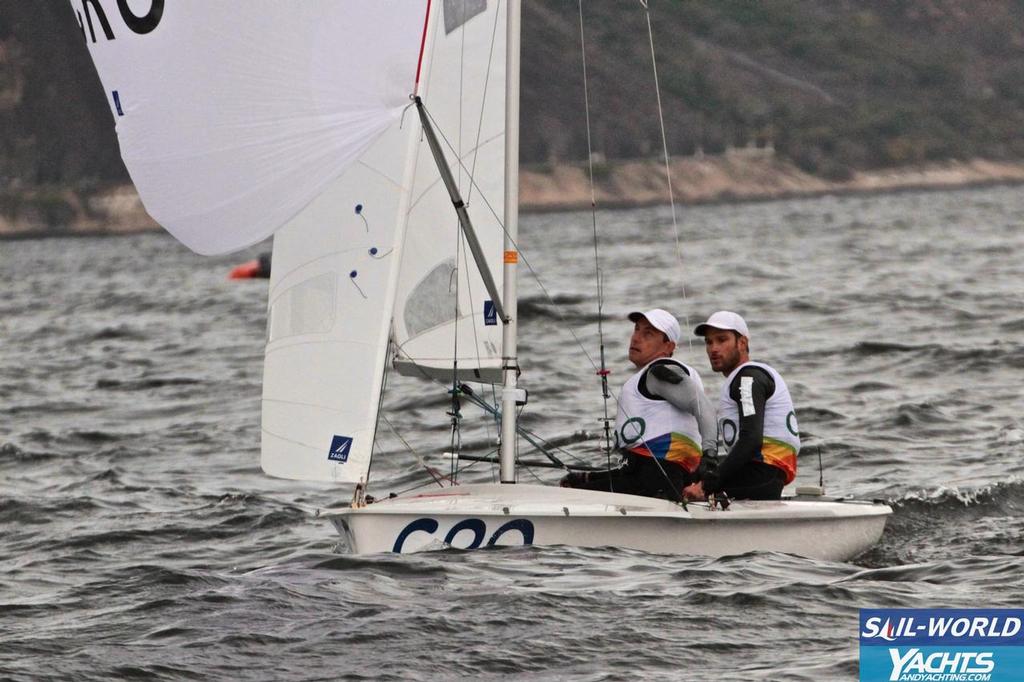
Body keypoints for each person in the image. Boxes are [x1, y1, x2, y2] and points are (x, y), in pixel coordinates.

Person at [562, 308, 717, 500]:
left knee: (568, 494)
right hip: (645, 475)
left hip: (659, 482)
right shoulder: (654, 376)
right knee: (572, 482)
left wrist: (710, 459)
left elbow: (705, 408)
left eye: (648, 334)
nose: (636, 338)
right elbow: (636, 469)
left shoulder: (659, 372)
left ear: (668, 347)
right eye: (636, 329)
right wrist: (589, 477)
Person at [683, 311, 800, 501]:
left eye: (722, 340)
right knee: (690, 477)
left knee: (678, 489)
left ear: (742, 343)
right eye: (709, 342)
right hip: (763, 474)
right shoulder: (745, 377)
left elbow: (751, 439)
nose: (713, 348)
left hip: (762, 474)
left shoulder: (748, 379)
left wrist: (706, 486)